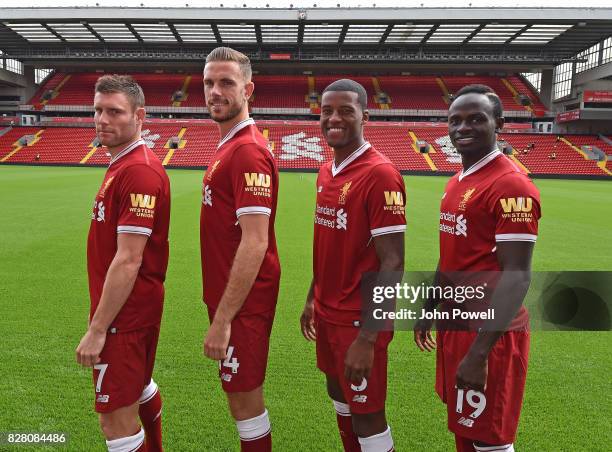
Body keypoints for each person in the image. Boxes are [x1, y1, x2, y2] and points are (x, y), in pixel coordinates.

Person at [414, 84, 541, 452]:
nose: (462, 128)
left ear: (498, 122)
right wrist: (430, 307)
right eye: (454, 120)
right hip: (457, 325)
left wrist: (479, 352)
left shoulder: (512, 185)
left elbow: (517, 275)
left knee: (490, 441)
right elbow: (452, 255)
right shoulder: (458, 181)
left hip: (490, 334)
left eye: (475, 119)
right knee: (466, 432)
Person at [300, 79, 406, 452]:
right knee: (339, 395)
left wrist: (368, 337)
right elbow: (331, 244)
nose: (334, 118)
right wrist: (313, 296)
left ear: (365, 115)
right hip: (328, 311)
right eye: (327, 111)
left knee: (368, 415)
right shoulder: (327, 170)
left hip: (359, 319)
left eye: (345, 110)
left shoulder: (380, 174)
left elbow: (393, 261)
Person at [76, 75, 170, 452]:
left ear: (139, 116)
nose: (102, 119)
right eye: (98, 110)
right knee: (138, 388)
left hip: (123, 317)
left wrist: (99, 327)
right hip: (131, 310)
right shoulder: (123, 164)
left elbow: (129, 259)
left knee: (115, 421)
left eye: (114, 111)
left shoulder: (138, 171)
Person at [200, 47, 280, 451]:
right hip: (231, 299)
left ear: (248, 89)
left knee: (245, 399)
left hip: (243, 304)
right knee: (238, 397)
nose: (215, 91)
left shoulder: (247, 150)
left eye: (226, 83)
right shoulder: (228, 145)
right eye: (209, 83)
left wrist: (223, 319)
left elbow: (256, 240)